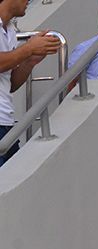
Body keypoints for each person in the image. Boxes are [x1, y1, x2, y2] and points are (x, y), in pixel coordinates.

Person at [0, 0, 62, 166]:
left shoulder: (10, 31)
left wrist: (30, 61)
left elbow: (11, 84)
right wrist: (28, 49)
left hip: (6, 124)